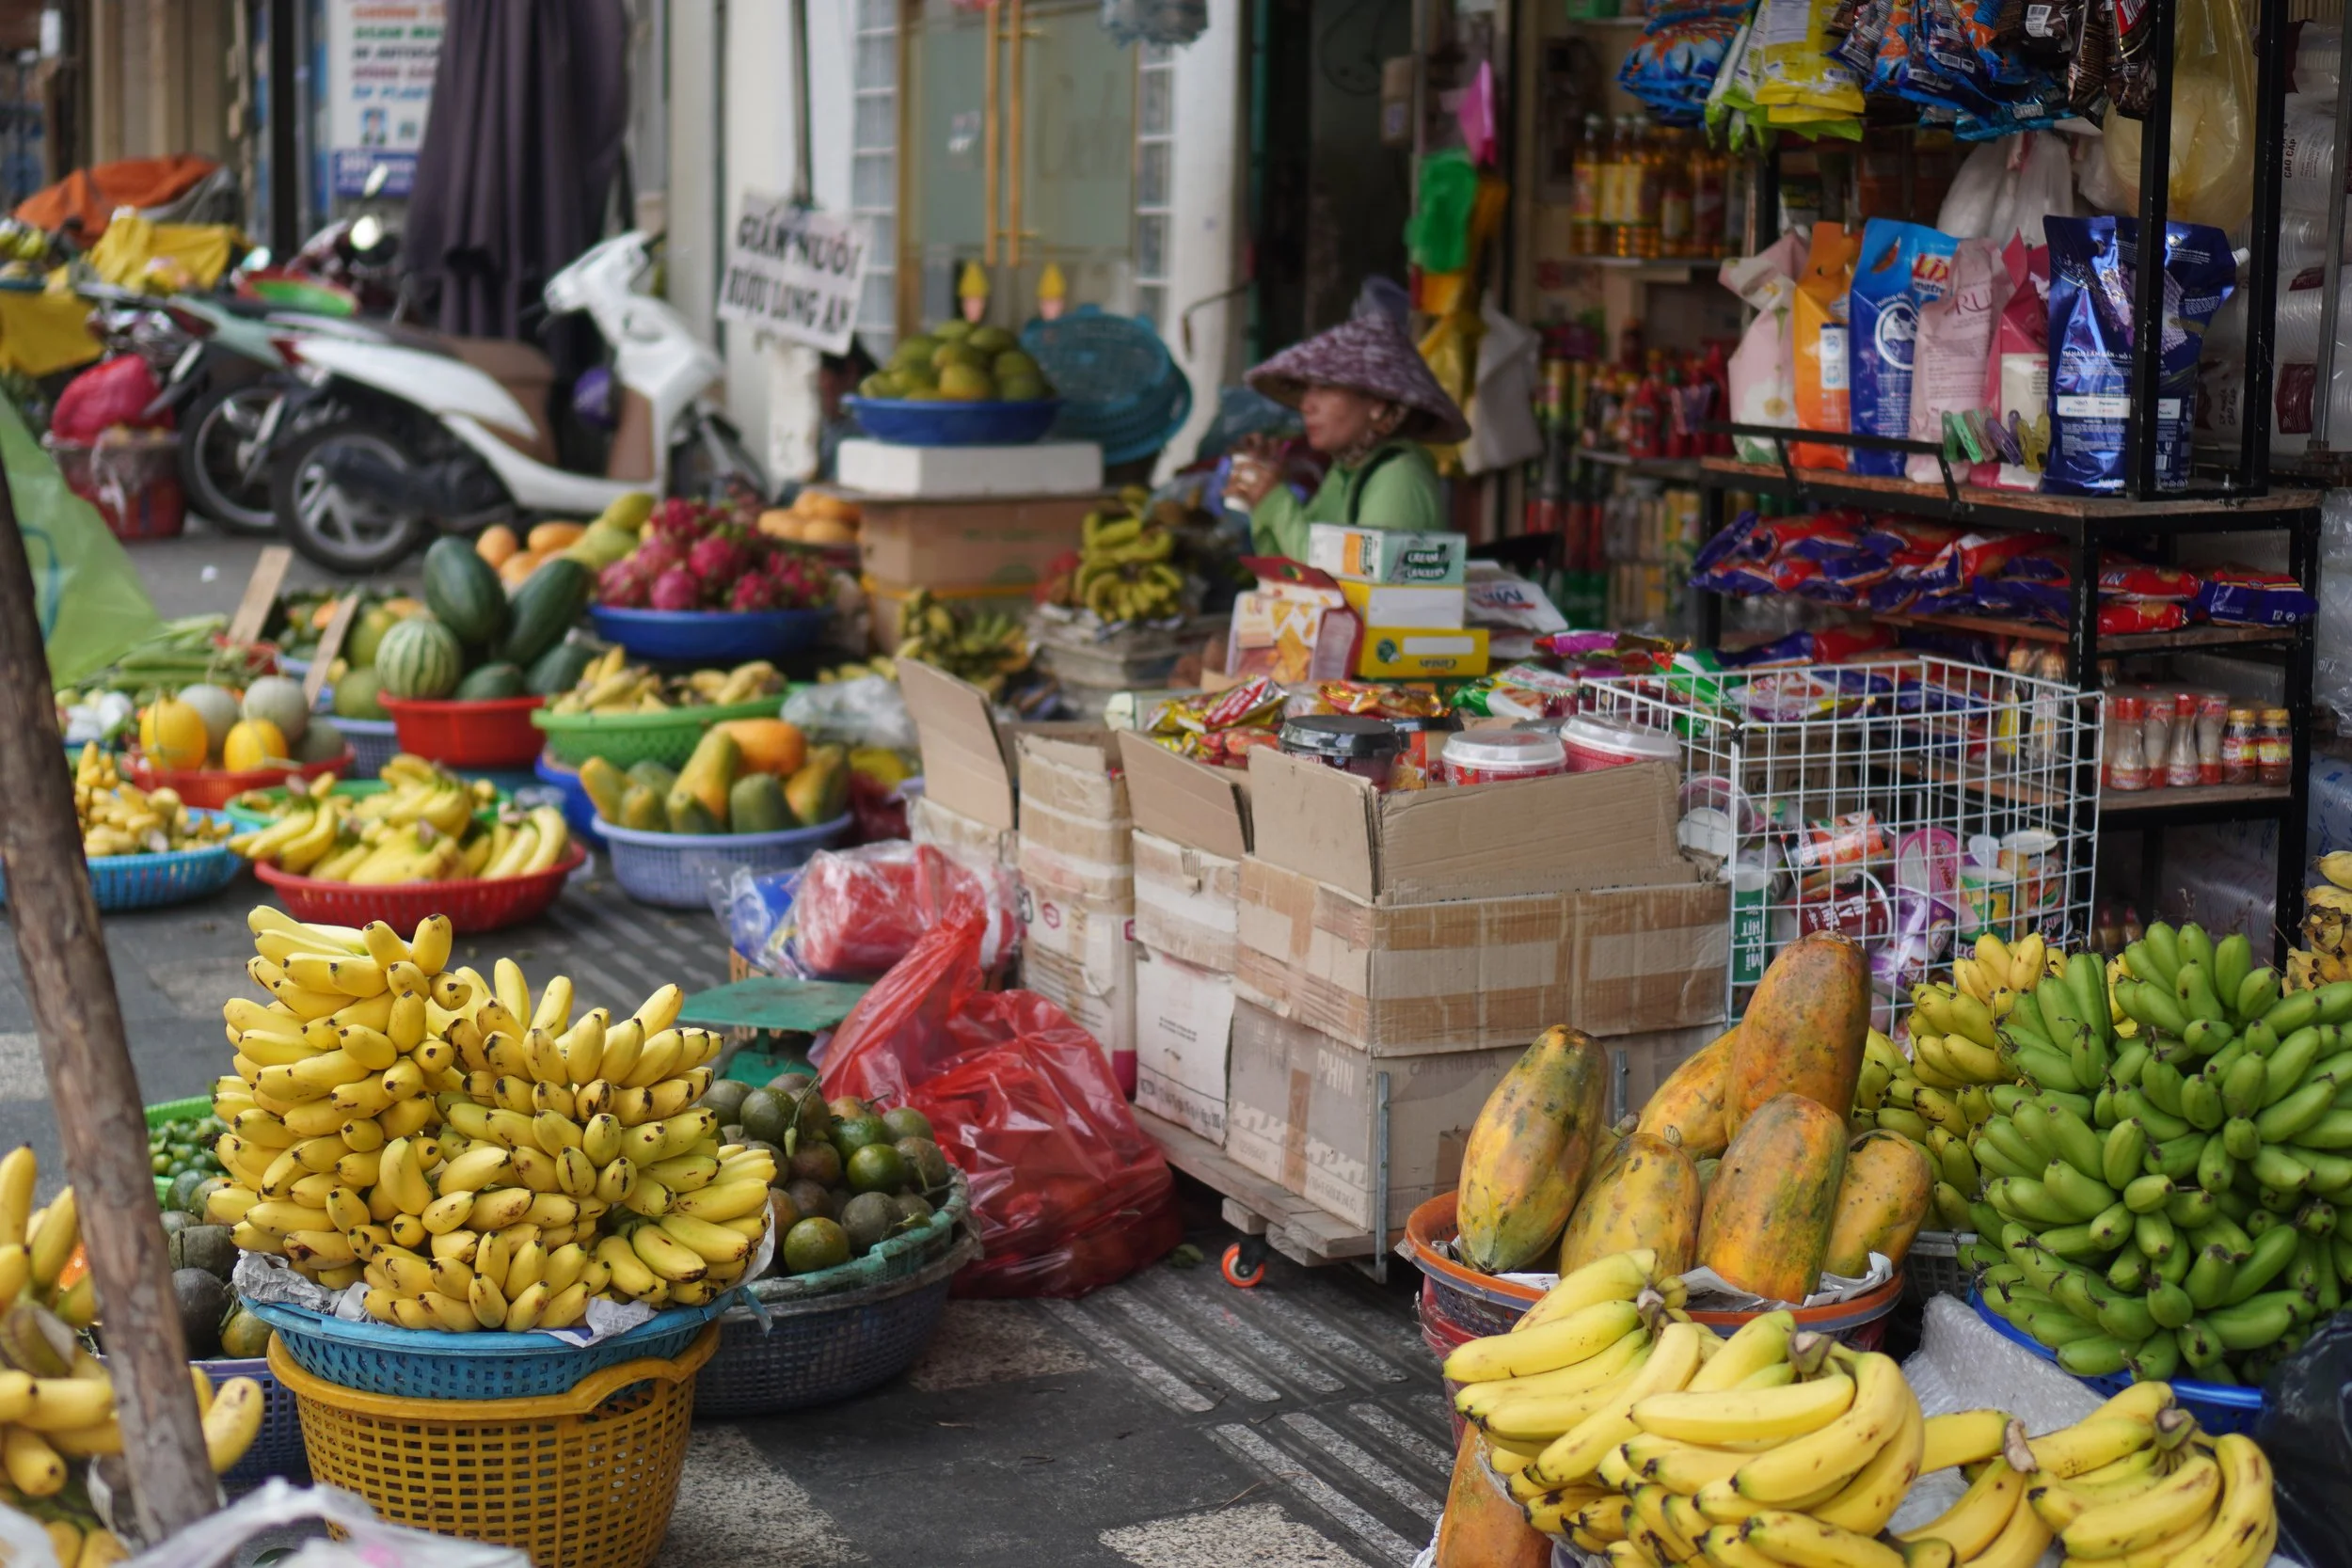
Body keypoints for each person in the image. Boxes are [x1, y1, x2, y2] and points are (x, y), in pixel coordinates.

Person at [1223, 305, 1468, 560]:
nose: (1306, 405)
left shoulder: (1398, 477)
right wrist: (1262, 499)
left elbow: (1351, 580)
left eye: (1325, 388)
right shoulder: (1345, 472)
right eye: (1307, 389)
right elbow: (1289, 570)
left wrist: (1276, 501)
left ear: (1377, 404)